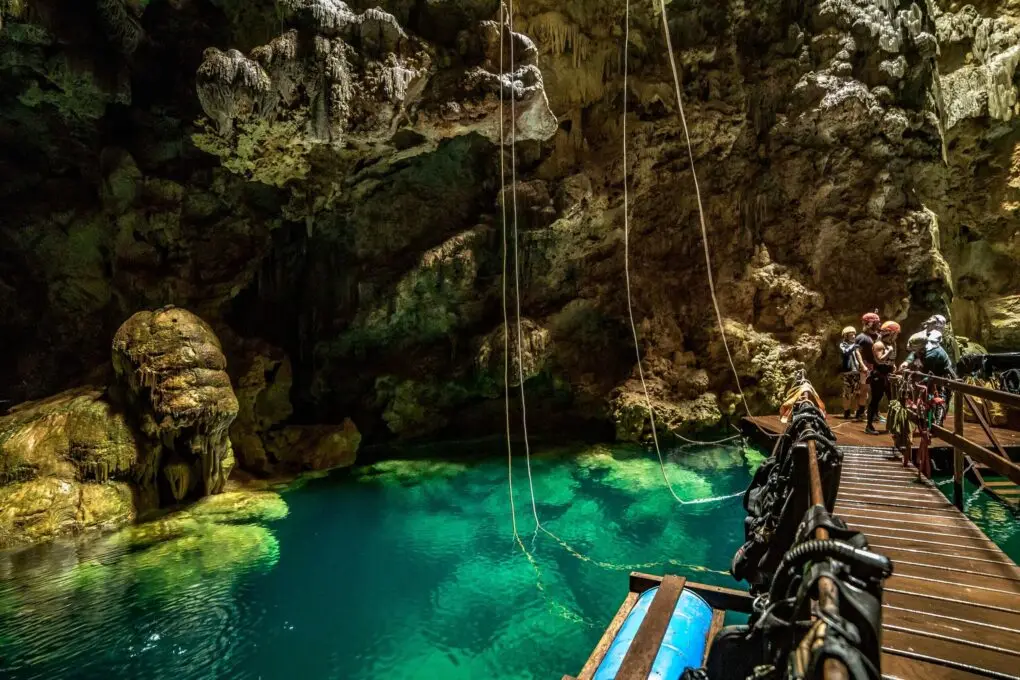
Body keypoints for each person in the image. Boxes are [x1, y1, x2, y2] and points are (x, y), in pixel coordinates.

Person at [866, 321, 900, 434]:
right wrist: (889, 351)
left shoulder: (892, 344)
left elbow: (891, 359)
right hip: (878, 375)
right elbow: (879, 359)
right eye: (896, 334)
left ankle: (893, 425)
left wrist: (893, 365)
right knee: (875, 400)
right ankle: (869, 426)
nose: (897, 336)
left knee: (893, 400)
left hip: (888, 375)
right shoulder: (879, 344)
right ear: (890, 333)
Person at [854, 312, 881, 420]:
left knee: (877, 391)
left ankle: (874, 413)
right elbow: (857, 351)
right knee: (864, 390)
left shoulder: (878, 336)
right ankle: (860, 412)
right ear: (869, 323)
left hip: (877, 367)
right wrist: (862, 365)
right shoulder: (862, 337)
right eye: (877, 323)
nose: (879, 325)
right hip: (866, 366)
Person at [839, 326, 863, 419]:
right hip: (847, 372)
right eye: (851, 335)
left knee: (857, 392)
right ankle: (846, 411)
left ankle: (857, 412)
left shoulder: (855, 346)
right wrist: (853, 346)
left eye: (854, 335)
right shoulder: (843, 345)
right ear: (845, 336)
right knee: (847, 393)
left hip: (856, 371)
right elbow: (845, 352)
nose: (853, 336)